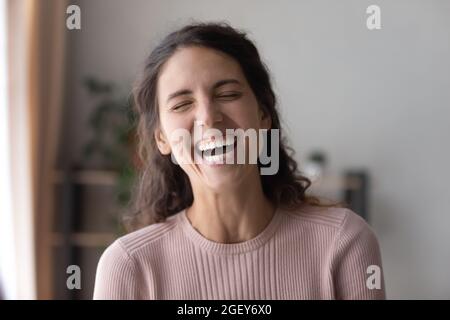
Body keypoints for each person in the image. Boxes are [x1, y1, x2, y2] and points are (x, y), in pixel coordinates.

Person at [93, 22, 385, 300]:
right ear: (162, 138)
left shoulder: (343, 241)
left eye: (228, 94)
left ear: (263, 116)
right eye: (182, 104)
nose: (208, 117)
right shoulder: (130, 266)